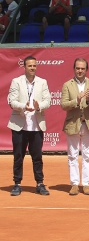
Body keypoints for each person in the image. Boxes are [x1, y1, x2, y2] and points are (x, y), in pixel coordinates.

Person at [7, 56, 51, 196]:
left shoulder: (42, 82)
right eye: (30, 66)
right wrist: (23, 107)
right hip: (19, 125)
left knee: (37, 156)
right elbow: (11, 101)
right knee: (18, 156)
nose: (33, 68)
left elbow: (47, 101)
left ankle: (40, 183)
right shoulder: (16, 81)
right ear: (24, 67)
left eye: (34, 65)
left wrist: (38, 108)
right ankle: (17, 184)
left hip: (36, 126)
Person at [61, 58, 89, 196]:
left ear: (86, 70)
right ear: (74, 69)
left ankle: (86, 184)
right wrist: (76, 100)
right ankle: (74, 184)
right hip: (73, 123)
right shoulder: (67, 85)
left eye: (82, 68)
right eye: (78, 68)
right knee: (72, 155)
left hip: (88, 123)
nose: (80, 71)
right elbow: (64, 105)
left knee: (87, 155)